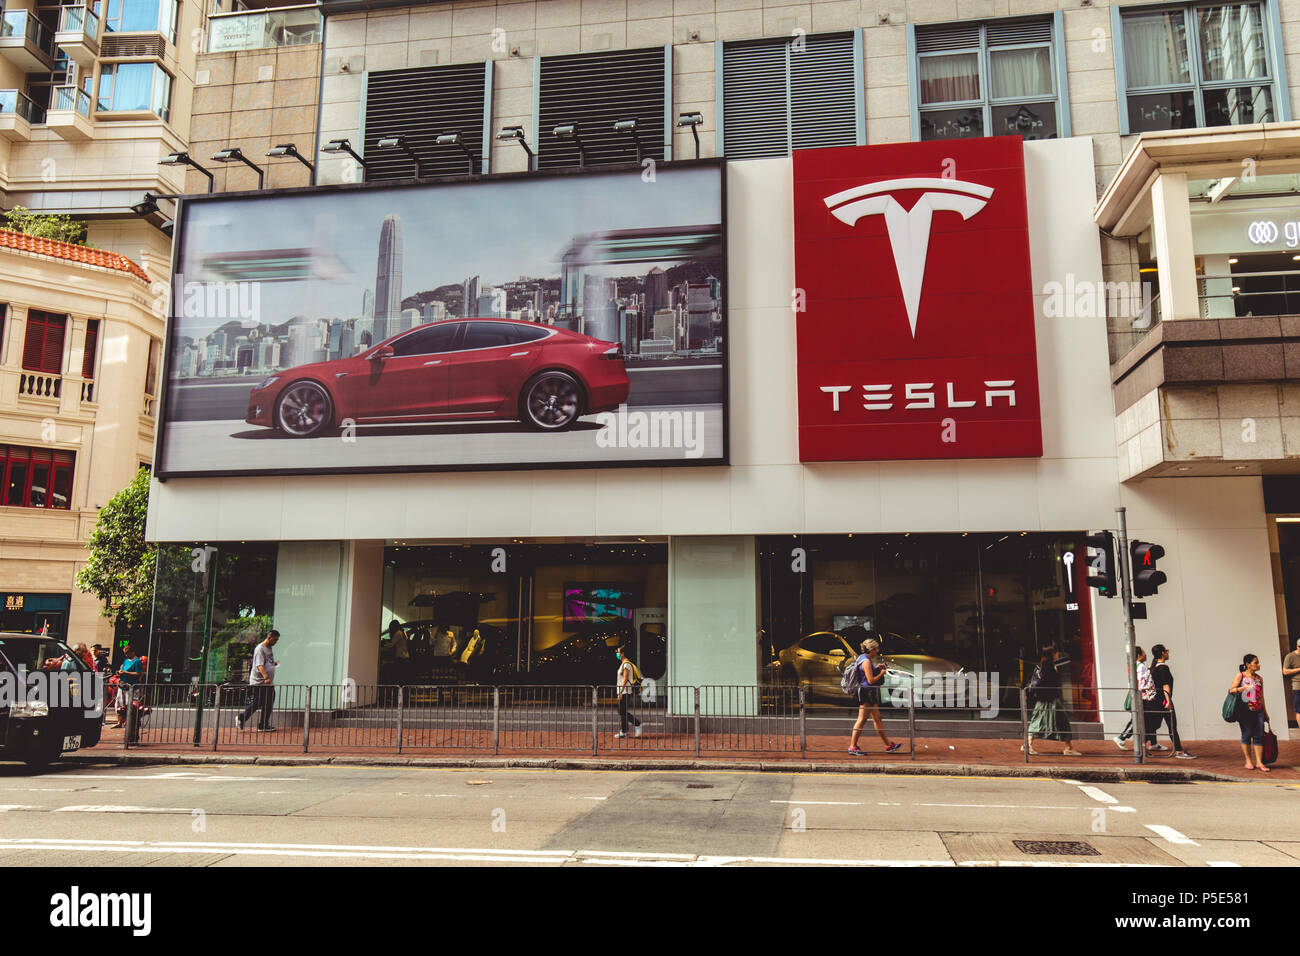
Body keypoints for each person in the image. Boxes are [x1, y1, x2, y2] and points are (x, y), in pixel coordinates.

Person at [1023, 645, 1082, 756]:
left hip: (1044, 700)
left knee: (1042, 722)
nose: (1058, 654)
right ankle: (1067, 748)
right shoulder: (1049, 668)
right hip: (1050, 700)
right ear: (1052, 654)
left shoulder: (1042, 666)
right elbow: (1048, 682)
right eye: (1056, 652)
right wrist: (1055, 672)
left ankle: (1068, 747)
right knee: (1056, 723)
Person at [848, 638, 902, 755]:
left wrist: (877, 668)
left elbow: (868, 674)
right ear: (871, 650)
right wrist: (882, 673)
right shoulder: (866, 661)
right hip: (867, 692)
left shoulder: (864, 658)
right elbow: (871, 680)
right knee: (861, 720)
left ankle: (888, 745)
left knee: (877, 719)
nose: (877, 651)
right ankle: (852, 747)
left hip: (869, 693)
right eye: (876, 649)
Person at [1228, 653, 1271, 773]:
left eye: (1258, 662)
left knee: (1259, 736)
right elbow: (1231, 690)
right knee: (1246, 735)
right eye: (1255, 662)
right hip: (1245, 711)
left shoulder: (1259, 678)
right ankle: (1248, 761)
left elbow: (1262, 697)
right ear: (1248, 664)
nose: (1258, 665)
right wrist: (1243, 688)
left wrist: (1265, 713)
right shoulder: (1240, 676)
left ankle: (1259, 762)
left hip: (1258, 711)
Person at [1150, 644, 1194, 759]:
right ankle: (1179, 751)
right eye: (1167, 651)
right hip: (1164, 701)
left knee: (1153, 725)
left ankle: (1142, 746)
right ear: (1163, 653)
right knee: (1172, 725)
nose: (1168, 653)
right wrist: (1168, 701)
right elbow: (1166, 686)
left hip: (1156, 701)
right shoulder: (1163, 668)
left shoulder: (1154, 668)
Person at [236, 630, 279, 732]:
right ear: (270, 637)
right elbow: (259, 665)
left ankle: (263, 724)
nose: (276, 642)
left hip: (266, 683)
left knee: (269, 700)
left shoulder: (269, 648)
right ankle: (242, 717)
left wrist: (273, 664)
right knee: (259, 701)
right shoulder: (260, 649)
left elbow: (267, 662)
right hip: (259, 682)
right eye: (275, 639)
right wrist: (266, 677)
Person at [614, 643, 642, 739]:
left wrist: (621, 692)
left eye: (617, 652)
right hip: (623, 691)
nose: (617, 654)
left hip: (625, 691)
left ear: (622, 653)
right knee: (621, 710)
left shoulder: (626, 664)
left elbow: (625, 679)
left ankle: (637, 724)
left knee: (621, 710)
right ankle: (624, 731)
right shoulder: (623, 664)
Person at [113, 645, 143, 729]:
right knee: (119, 703)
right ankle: (119, 721)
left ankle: (128, 722)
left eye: (127, 653)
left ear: (132, 652)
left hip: (131, 686)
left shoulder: (137, 661)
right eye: (125, 653)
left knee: (129, 704)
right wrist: (120, 672)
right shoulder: (126, 660)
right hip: (122, 684)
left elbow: (138, 673)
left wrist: (126, 672)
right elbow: (123, 669)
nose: (126, 655)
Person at [1282, 637, 1300, 726]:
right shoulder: (1290, 656)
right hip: (1298, 686)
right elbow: (1285, 671)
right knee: (1299, 710)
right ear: (1297, 646)